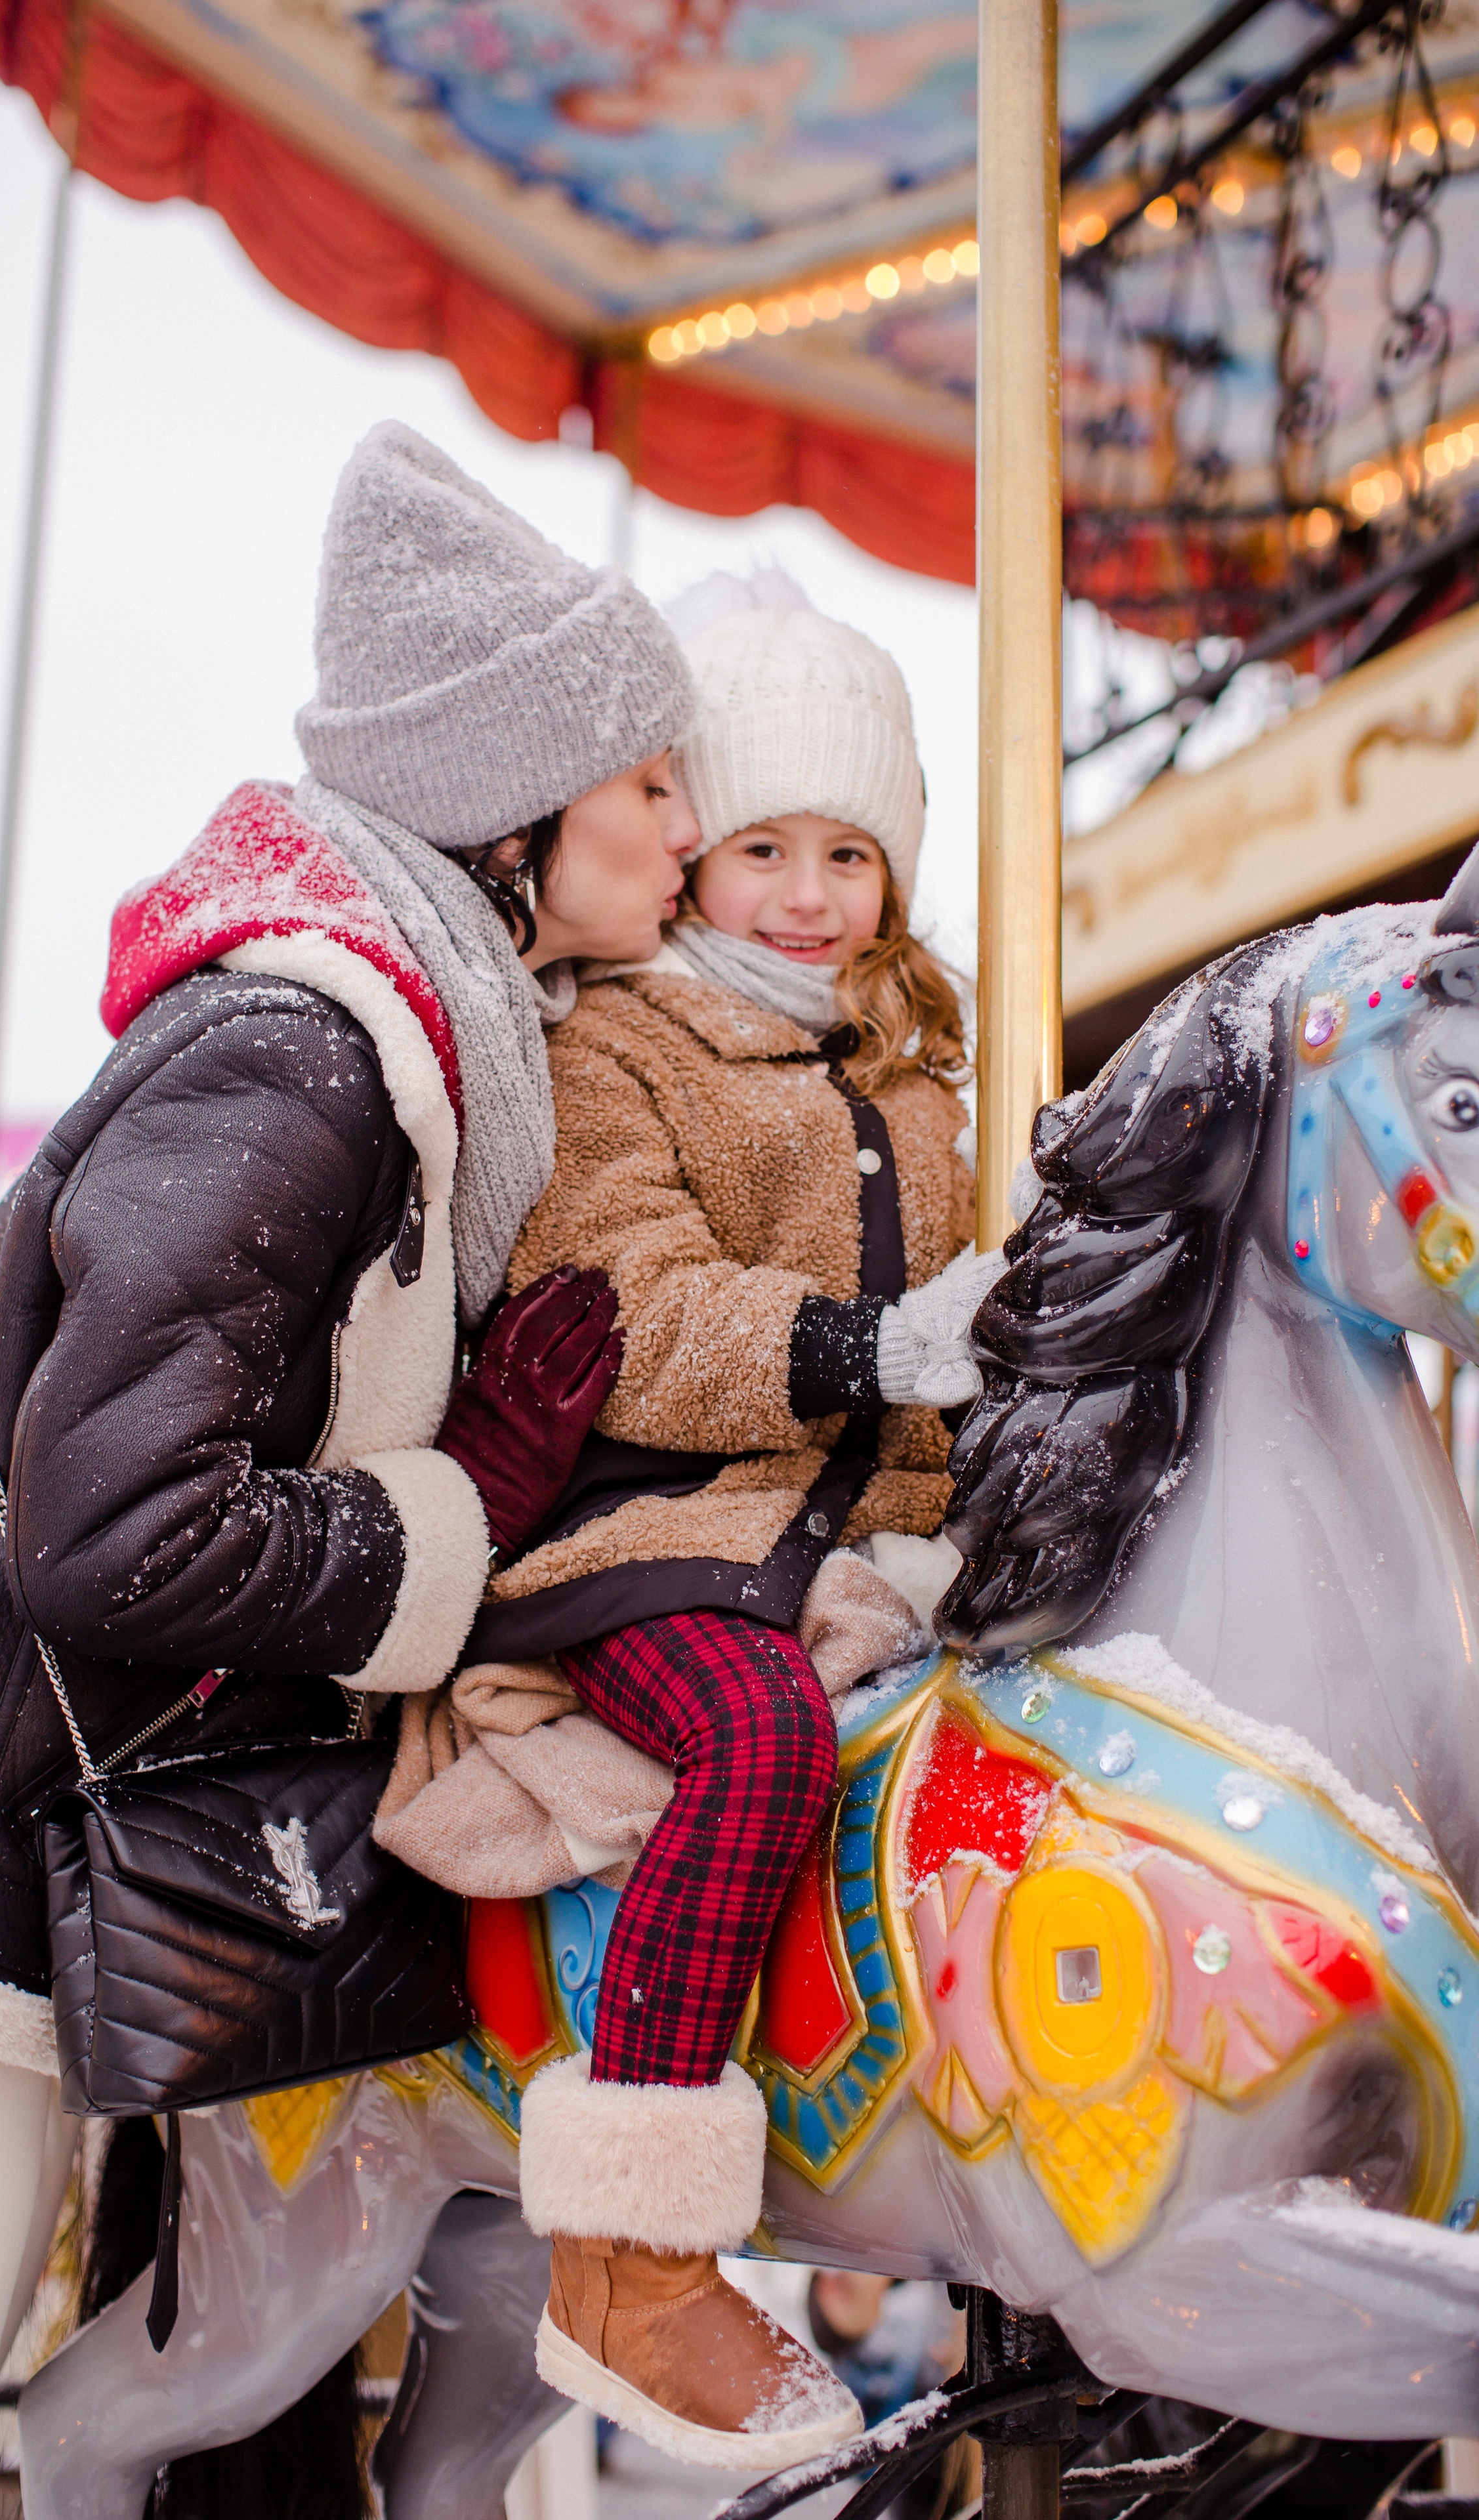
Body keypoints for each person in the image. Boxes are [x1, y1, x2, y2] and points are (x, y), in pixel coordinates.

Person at [0, 420, 698, 2520]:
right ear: (515, 796)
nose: (688, 829)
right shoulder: (308, 1061)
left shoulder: (413, 1051)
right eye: (652, 779)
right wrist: (454, 1513)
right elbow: (118, 1526)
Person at [485, 576, 1002, 2469]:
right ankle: (632, 2248)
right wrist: (866, 1345)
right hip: (652, 1537)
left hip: (867, 1553)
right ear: (696, 851)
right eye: (766, 846)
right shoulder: (615, 1047)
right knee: (761, 1736)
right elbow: (626, 1302)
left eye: (848, 853)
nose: (807, 892)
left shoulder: (923, 1083)